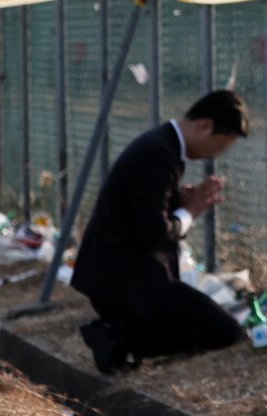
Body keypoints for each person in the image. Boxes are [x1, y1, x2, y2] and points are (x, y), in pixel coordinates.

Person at [72, 90, 249, 373]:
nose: (217, 154)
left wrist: (179, 202)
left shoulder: (160, 146)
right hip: (124, 281)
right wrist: (190, 212)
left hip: (121, 274)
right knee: (226, 331)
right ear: (205, 126)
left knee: (205, 321)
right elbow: (153, 233)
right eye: (221, 144)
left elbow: (138, 211)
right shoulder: (157, 153)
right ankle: (117, 338)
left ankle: (120, 335)